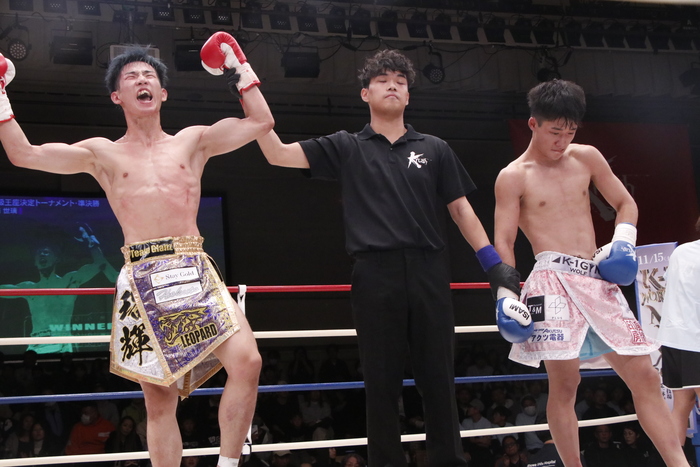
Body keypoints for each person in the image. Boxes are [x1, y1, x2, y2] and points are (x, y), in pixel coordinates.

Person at [0, 30, 273, 467]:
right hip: (142, 274)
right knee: (160, 401)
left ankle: (227, 464)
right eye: (131, 76)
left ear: (162, 93)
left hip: (193, 265)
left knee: (248, 361)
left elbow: (260, 123)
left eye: (149, 75)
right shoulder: (102, 153)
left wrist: (238, 67)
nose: (142, 79)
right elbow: (24, 154)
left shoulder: (193, 140)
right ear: (117, 96)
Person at [256, 48, 527, 467]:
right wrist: (247, 87)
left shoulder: (434, 148)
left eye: (400, 81)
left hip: (428, 271)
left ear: (409, 95)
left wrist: (494, 265)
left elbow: (461, 210)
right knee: (381, 382)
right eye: (383, 80)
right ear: (365, 93)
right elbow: (277, 153)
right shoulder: (346, 146)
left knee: (438, 378)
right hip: (374, 273)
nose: (393, 86)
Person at [493, 78, 689, 466]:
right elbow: (504, 238)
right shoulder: (513, 176)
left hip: (596, 278)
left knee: (645, 374)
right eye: (555, 131)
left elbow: (625, 203)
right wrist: (506, 293)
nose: (562, 140)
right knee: (565, 384)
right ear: (533, 124)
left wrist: (623, 242)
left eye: (569, 132)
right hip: (550, 281)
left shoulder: (586, 157)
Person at [0, 225, 118, 354]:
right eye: (39, 253)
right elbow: (4, 290)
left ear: (56, 259)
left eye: (46, 252)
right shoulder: (29, 287)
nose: (42, 255)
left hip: (61, 340)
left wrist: (90, 241)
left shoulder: (69, 281)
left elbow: (100, 264)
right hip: (36, 343)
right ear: (35, 262)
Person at [656, 215, 700, 445]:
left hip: (672, 339)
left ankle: (675, 460)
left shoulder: (680, 252)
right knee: (683, 405)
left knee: (682, 405)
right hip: (694, 339)